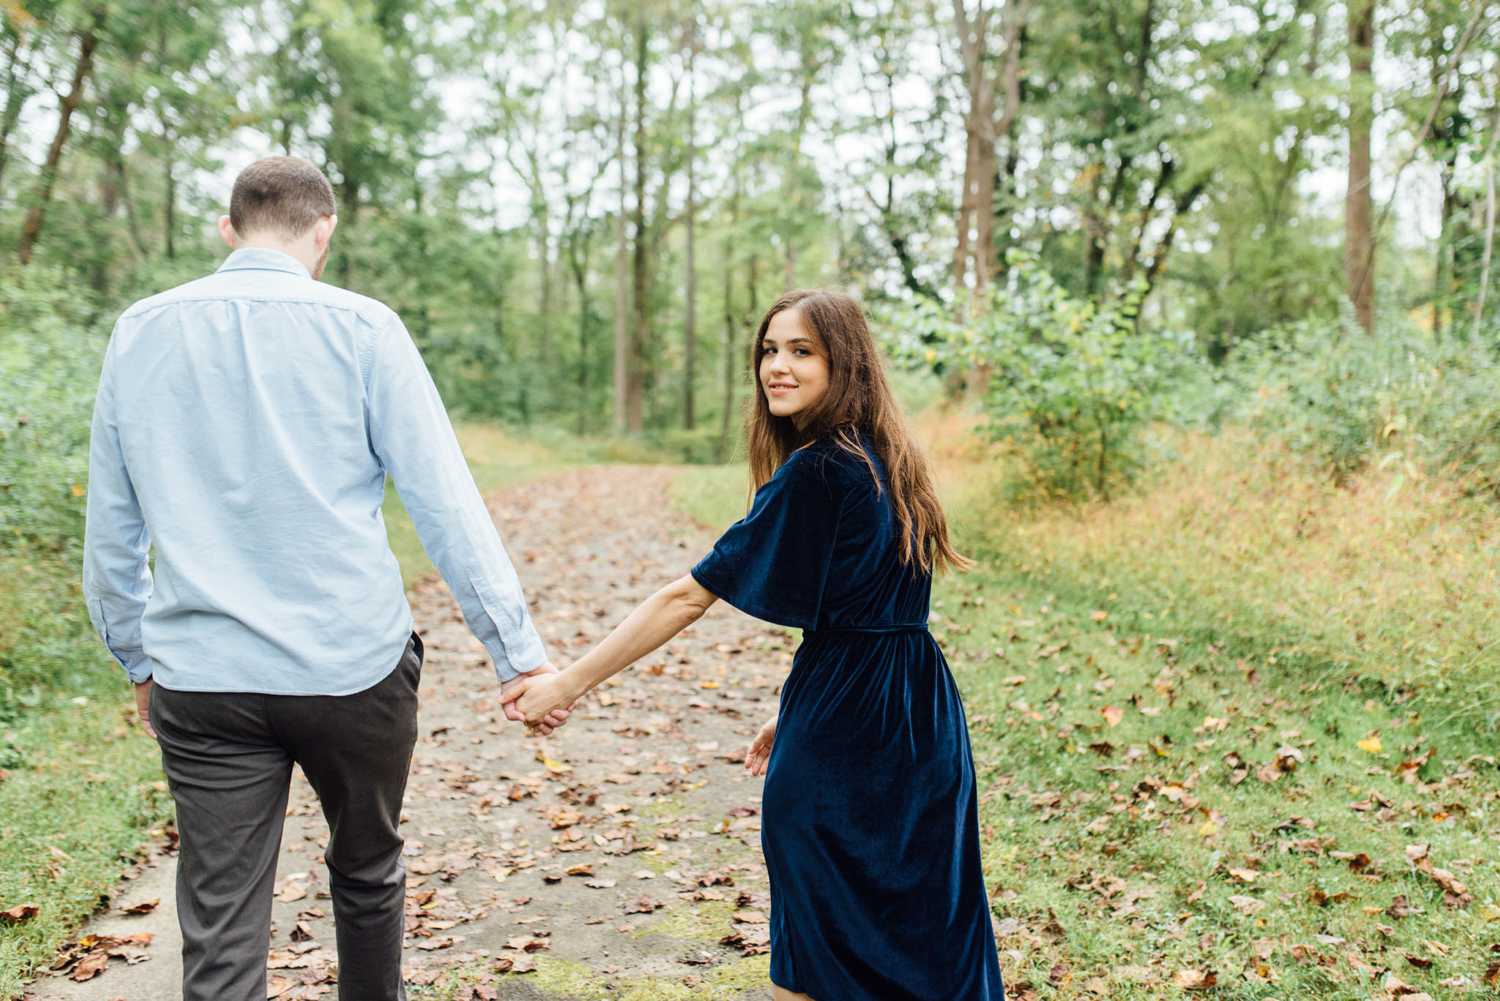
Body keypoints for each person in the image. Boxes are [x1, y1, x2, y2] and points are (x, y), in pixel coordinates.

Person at [81, 155, 568, 1001]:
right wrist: (516, 654)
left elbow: (112, 523)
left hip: (203, 674)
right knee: (368, 873)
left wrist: (136, 657)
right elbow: (443, 501)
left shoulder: (141, 329)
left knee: (221, 918)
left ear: (228, 229)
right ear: (324, 233)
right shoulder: (366, 328)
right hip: (354, 667)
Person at [504, 289, 1005, 1001]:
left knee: (813, 953)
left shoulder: (819, 470)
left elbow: (686, 596)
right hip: (922, 722)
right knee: (925, 938)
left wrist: (566, 683)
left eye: (802, 351)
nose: (778, 365)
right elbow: (868, 610)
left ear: (845, 361)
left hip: (848, 733)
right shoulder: (886, 456)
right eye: (770, 350)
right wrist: (796, 710)